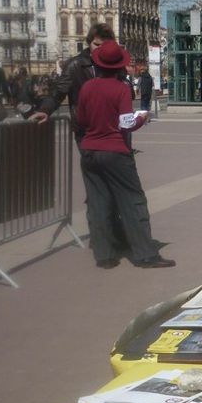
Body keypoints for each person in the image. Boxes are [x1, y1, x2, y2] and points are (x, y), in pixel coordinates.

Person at [75, 41, 174, 269]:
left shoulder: (87, 88)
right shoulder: (120, 88)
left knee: (98, 202)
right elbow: (126, 123)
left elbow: (80, 120)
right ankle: (144, 254)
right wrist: (142, 117)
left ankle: (105, 255)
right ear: (118, 66)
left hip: (90, 150)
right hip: (115, 151)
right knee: (132, 201)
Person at [30, 22, 116, 126]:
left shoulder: (114, 64)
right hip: (86, 127)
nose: (100, 48)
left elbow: (125, 91)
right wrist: (45, 110)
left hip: (112, 126)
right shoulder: (75, 65)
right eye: (96, 44)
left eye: (105, 45)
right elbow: (58, 92)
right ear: (89, 43)